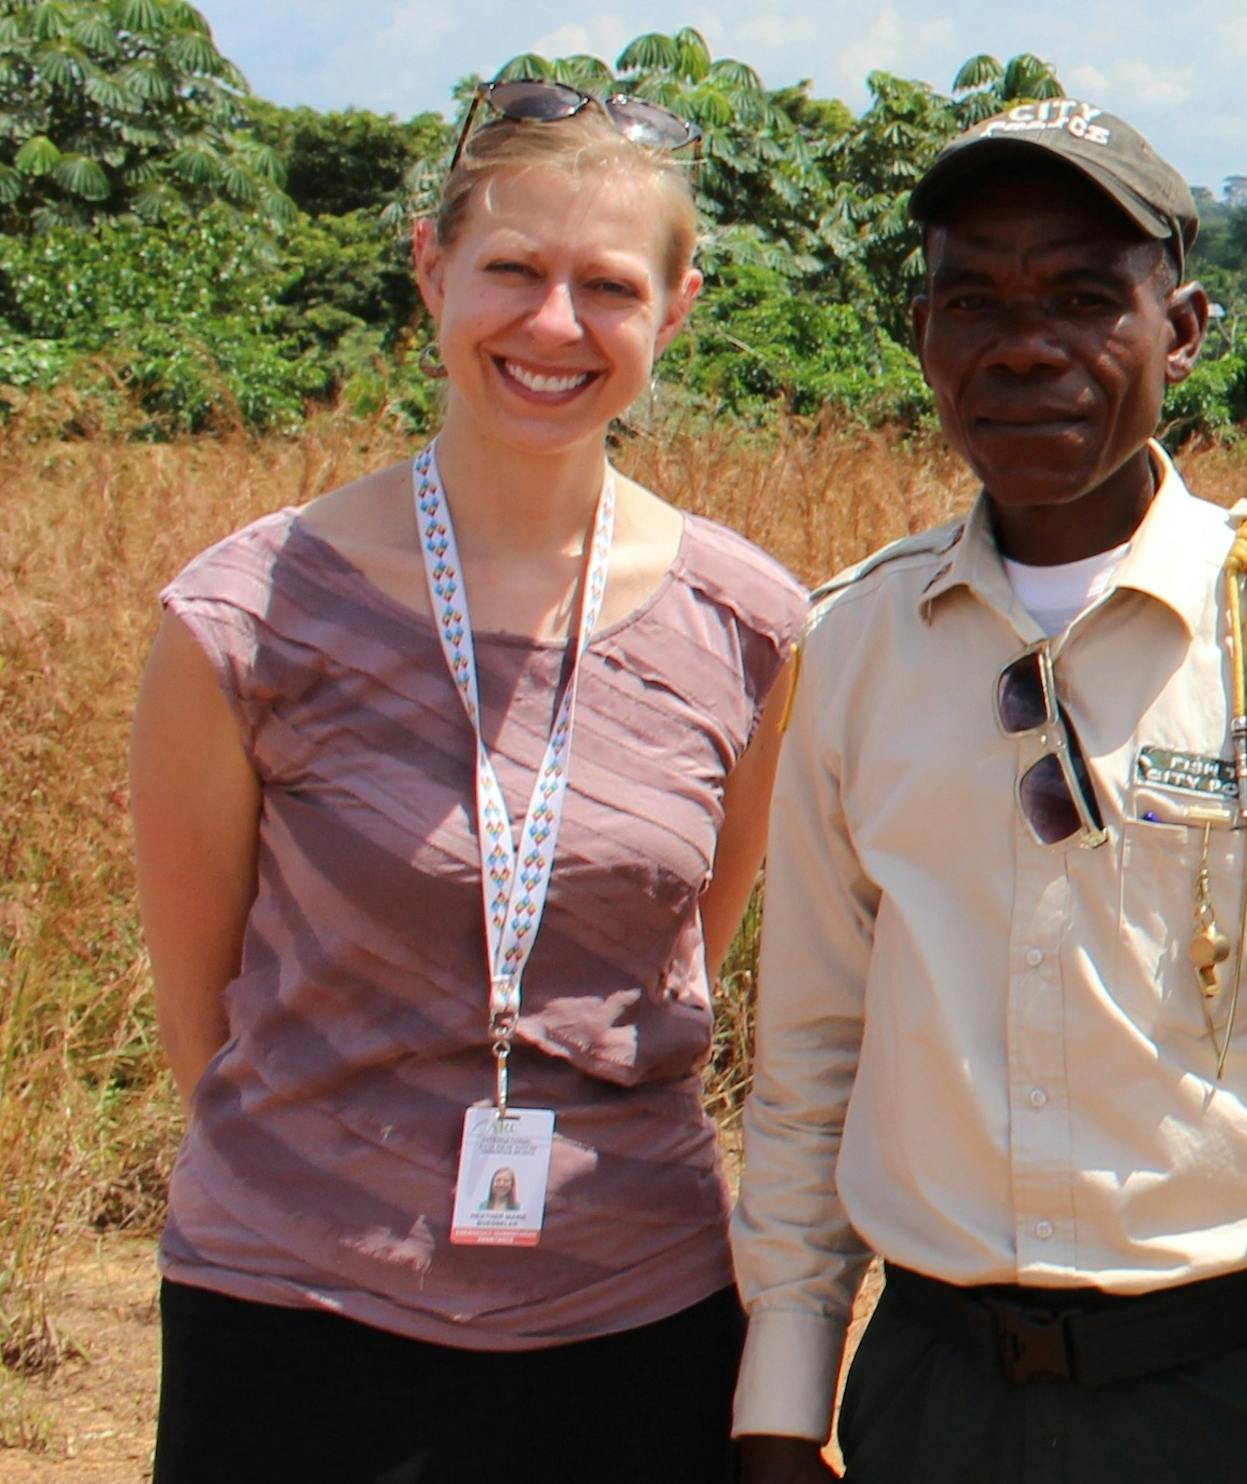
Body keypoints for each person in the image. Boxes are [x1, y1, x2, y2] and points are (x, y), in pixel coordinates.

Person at [729, 101, 1247, 1484]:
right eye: (973, 301)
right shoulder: (856, 645)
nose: (1023, 345)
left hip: (1233, 1403)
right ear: (924, 333)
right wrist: (781, 1405)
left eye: (1079, 296)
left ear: (1180, 329)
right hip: (928, 1398)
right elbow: (811, 1051)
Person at [129, 78, 807, 1484]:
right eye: (512, 269)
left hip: (635, 1320)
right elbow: (202, 1015)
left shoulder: (749, 625)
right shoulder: (247, 615)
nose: (554, 327)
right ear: (433, 267)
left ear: (674, 311)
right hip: (296, 1320)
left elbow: (684, 955)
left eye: (609, 287)